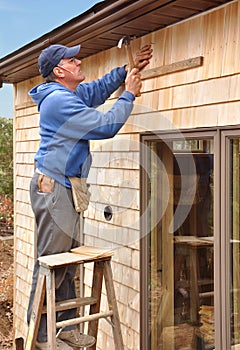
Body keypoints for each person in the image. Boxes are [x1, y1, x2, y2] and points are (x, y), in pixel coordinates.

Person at [27, 42, 152, 349]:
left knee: (67, 264)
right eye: (72, 59)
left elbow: (96, 90)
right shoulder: (58, 102)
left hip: (67, 187)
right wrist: (129, 94)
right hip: (55, 188)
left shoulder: (67, 95)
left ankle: (64, 327)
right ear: (59, 71)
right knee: (52, 262)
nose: (78, 60)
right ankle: (42, 336)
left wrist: (125, 70)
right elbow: (105, 125)